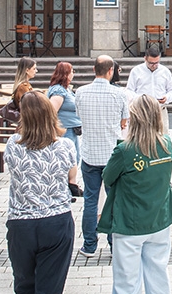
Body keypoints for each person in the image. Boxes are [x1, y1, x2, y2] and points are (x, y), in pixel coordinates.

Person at [98, 95, 172, 294]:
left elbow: (107, 178)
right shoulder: (166, 143)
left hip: (130, 221)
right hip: (159, 218)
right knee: (158, 276)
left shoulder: (124, 150)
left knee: (127, 282)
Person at [3, 92, 77, 294]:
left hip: (21, 221)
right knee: (51, 286)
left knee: (24, 284)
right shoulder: (65, 146)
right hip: (56, 219)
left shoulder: (13, 144)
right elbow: (72, 176)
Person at [73, 55, 131, 257]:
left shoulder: (81, 92)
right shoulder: (119, 94)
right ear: (111, 71)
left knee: (90, 200)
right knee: (113, 200)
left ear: (93, 69)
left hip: (90, 153)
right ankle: (114, 244)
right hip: (112, 155)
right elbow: (124, 121)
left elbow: (79, 116)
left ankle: (89, 244)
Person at [47, 61, 83, 197]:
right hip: (64, 130)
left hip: (72, 129)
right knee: (66, 159)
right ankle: (63, 188)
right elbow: (52, 111)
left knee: (74, 158)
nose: (73, 74)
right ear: (65, 74)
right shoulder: (58, 91)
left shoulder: (66, 89)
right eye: (72, 71)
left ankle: (70, 186)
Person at [126, 45, 172, 129]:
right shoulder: (136, 71)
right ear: (145, 58)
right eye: (151, 63)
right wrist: (141, 99)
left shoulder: (165, 71)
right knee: (142, 135)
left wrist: (166, 97)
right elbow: (129, 91)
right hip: (142, 110)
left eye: (156, 63)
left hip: (160, 110)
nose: (154, 65)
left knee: (162, 135)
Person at [1, 57, 37, 126]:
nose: (36, 71)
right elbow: (27, 106)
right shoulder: (23, 87)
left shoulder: (25, 85)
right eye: (34, 69)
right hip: (27, 122)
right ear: (27, 70)